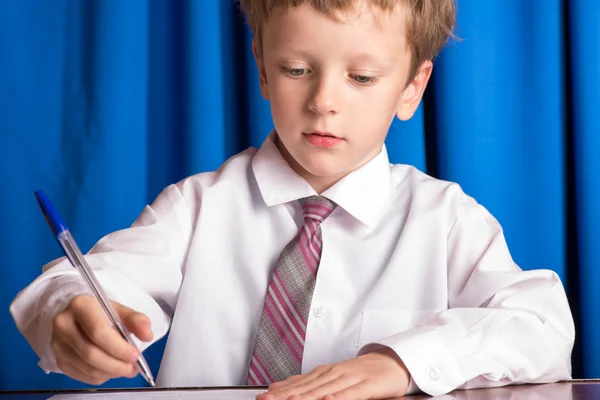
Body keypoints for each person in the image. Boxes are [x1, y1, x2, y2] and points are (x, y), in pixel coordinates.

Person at [10, 0, 575, 399]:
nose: (324, 101)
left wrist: (403, 362)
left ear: (412, 88)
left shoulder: (446, 220)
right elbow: (94, 280)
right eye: (296, 69)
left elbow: (542, 327)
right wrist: (73, 311)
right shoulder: (197, 207)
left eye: (361, 77)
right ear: (260, 65)